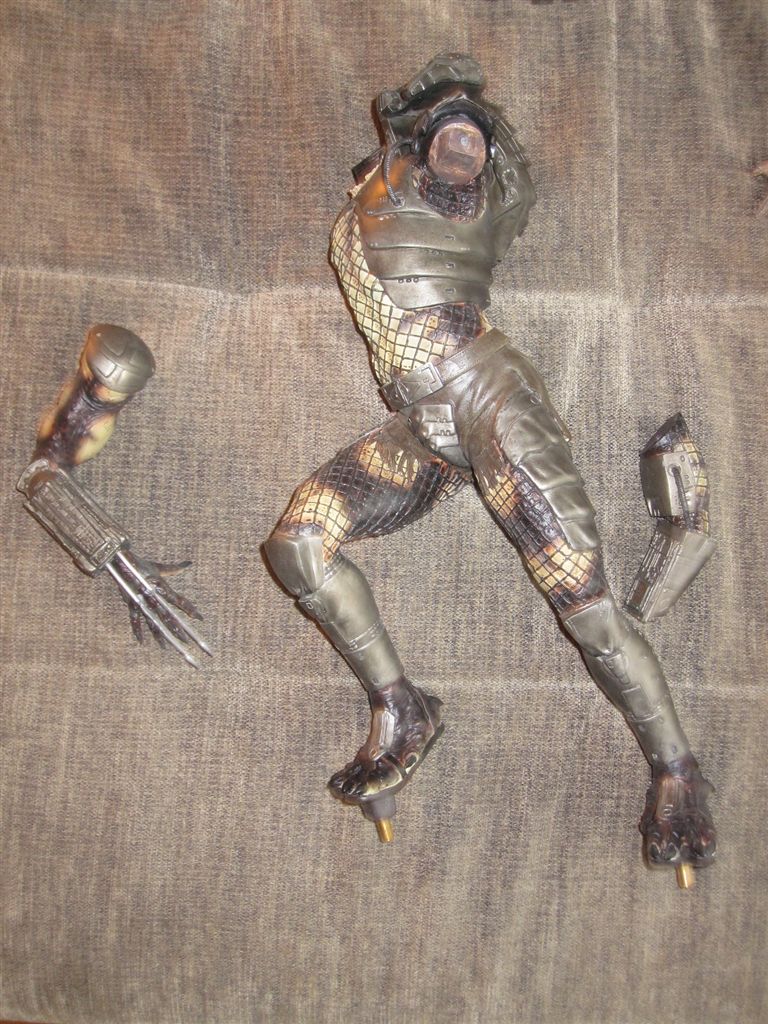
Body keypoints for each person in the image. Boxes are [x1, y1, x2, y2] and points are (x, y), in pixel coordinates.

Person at [265, 54, 715, 879]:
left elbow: (492, 174)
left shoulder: (468, 194)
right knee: (298, 544)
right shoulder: (379, 192)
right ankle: (403, 709)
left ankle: (677, 772)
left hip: (491, 402)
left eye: (474, 135)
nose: (462, 145)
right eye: (447, 130)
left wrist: (459, 127)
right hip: (422, 424)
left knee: (583, 603)